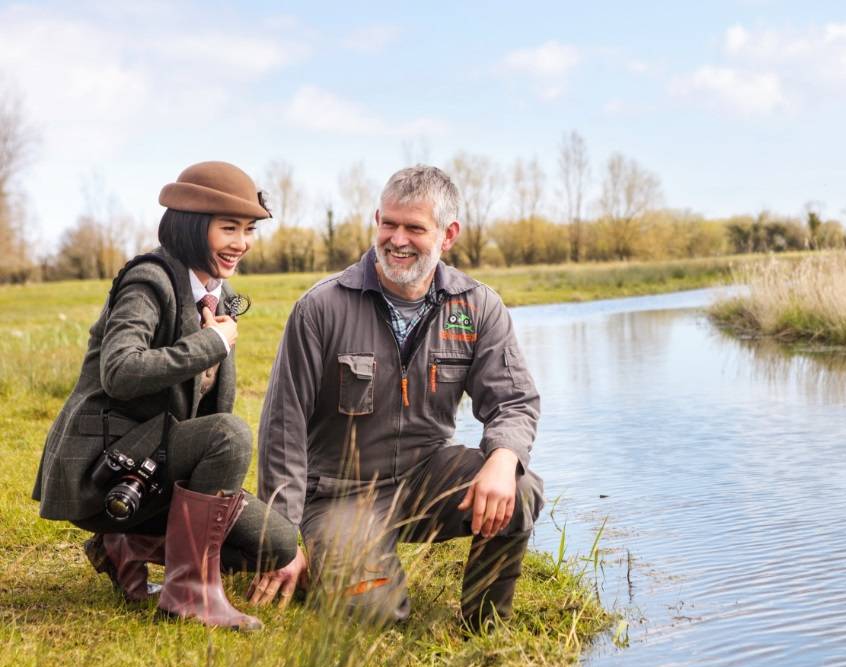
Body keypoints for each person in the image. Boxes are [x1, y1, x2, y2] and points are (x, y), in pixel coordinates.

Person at [252, 165, 542, 630]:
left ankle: (484, 627)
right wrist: (281, 542)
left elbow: (514, 401)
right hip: (338, 496)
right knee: (379, 614)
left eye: (414, 228)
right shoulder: (321, 308)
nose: (397, 239)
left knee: (522, 488)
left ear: (448, 235)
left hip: (425, 479)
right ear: (376, 220)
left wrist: (504, 458)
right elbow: (282, 429)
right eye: (388, 223)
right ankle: (328, 564)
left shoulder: (477, 306)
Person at [32, 161, 298, 631]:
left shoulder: (218, 290)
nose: (242, 243)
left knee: (278, 544)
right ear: (194, 226)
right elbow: (119, 372)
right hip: (108, 463)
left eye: (249, 230)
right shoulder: (149, 281)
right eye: (229, 228)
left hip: (156, 459)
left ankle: (125, 546)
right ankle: (189, 594)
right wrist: (210, 344)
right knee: (228, 435)